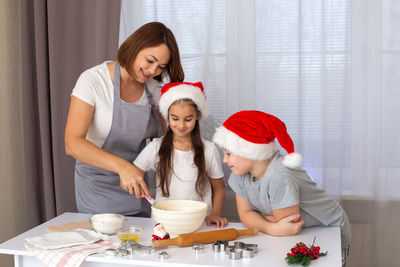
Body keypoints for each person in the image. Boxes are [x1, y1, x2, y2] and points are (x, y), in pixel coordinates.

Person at [65, 22, 184, 216]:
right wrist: (123, 167)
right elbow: (72, 144)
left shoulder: (154, 89)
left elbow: (168, 140)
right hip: (97, 188)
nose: (153, 71)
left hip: (136, 188)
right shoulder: (93, 80)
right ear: (135, 47)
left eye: (161, 67)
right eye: (150, 60)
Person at [213, 110, 351, 265]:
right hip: (299, 232)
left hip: (327, 229)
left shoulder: (279, 175)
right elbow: (245, 215)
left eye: (229, 153)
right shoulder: (238, 172)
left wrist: (256, 217)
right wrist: (271, 227)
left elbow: (289, 226)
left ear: (249, 150)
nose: (225, 160)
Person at [133, 82, 228, 227]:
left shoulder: (209, 149)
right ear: (167, 116)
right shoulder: (156, 148)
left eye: (188, 119)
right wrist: (135, 184)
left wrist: (215, 214)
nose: (181, 125)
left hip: (199, 223)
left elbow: (219, 188)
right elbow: (132, 175)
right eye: (175, 119)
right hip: (163, 224)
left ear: (197, 116)